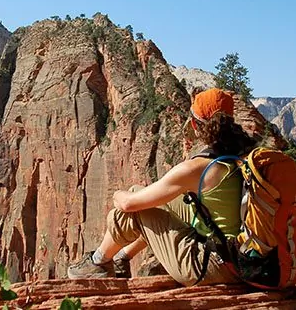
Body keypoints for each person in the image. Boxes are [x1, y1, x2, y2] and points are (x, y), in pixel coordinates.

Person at [66, 88, 260, 286]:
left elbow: (127, 205)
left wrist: (117, 194)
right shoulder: (242, 157)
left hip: (213, 267)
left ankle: (98, 263)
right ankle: (121, 258)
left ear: (195, 124)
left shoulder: (196, 169)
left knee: (127, 208)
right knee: (148, 196)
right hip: (243, 258)